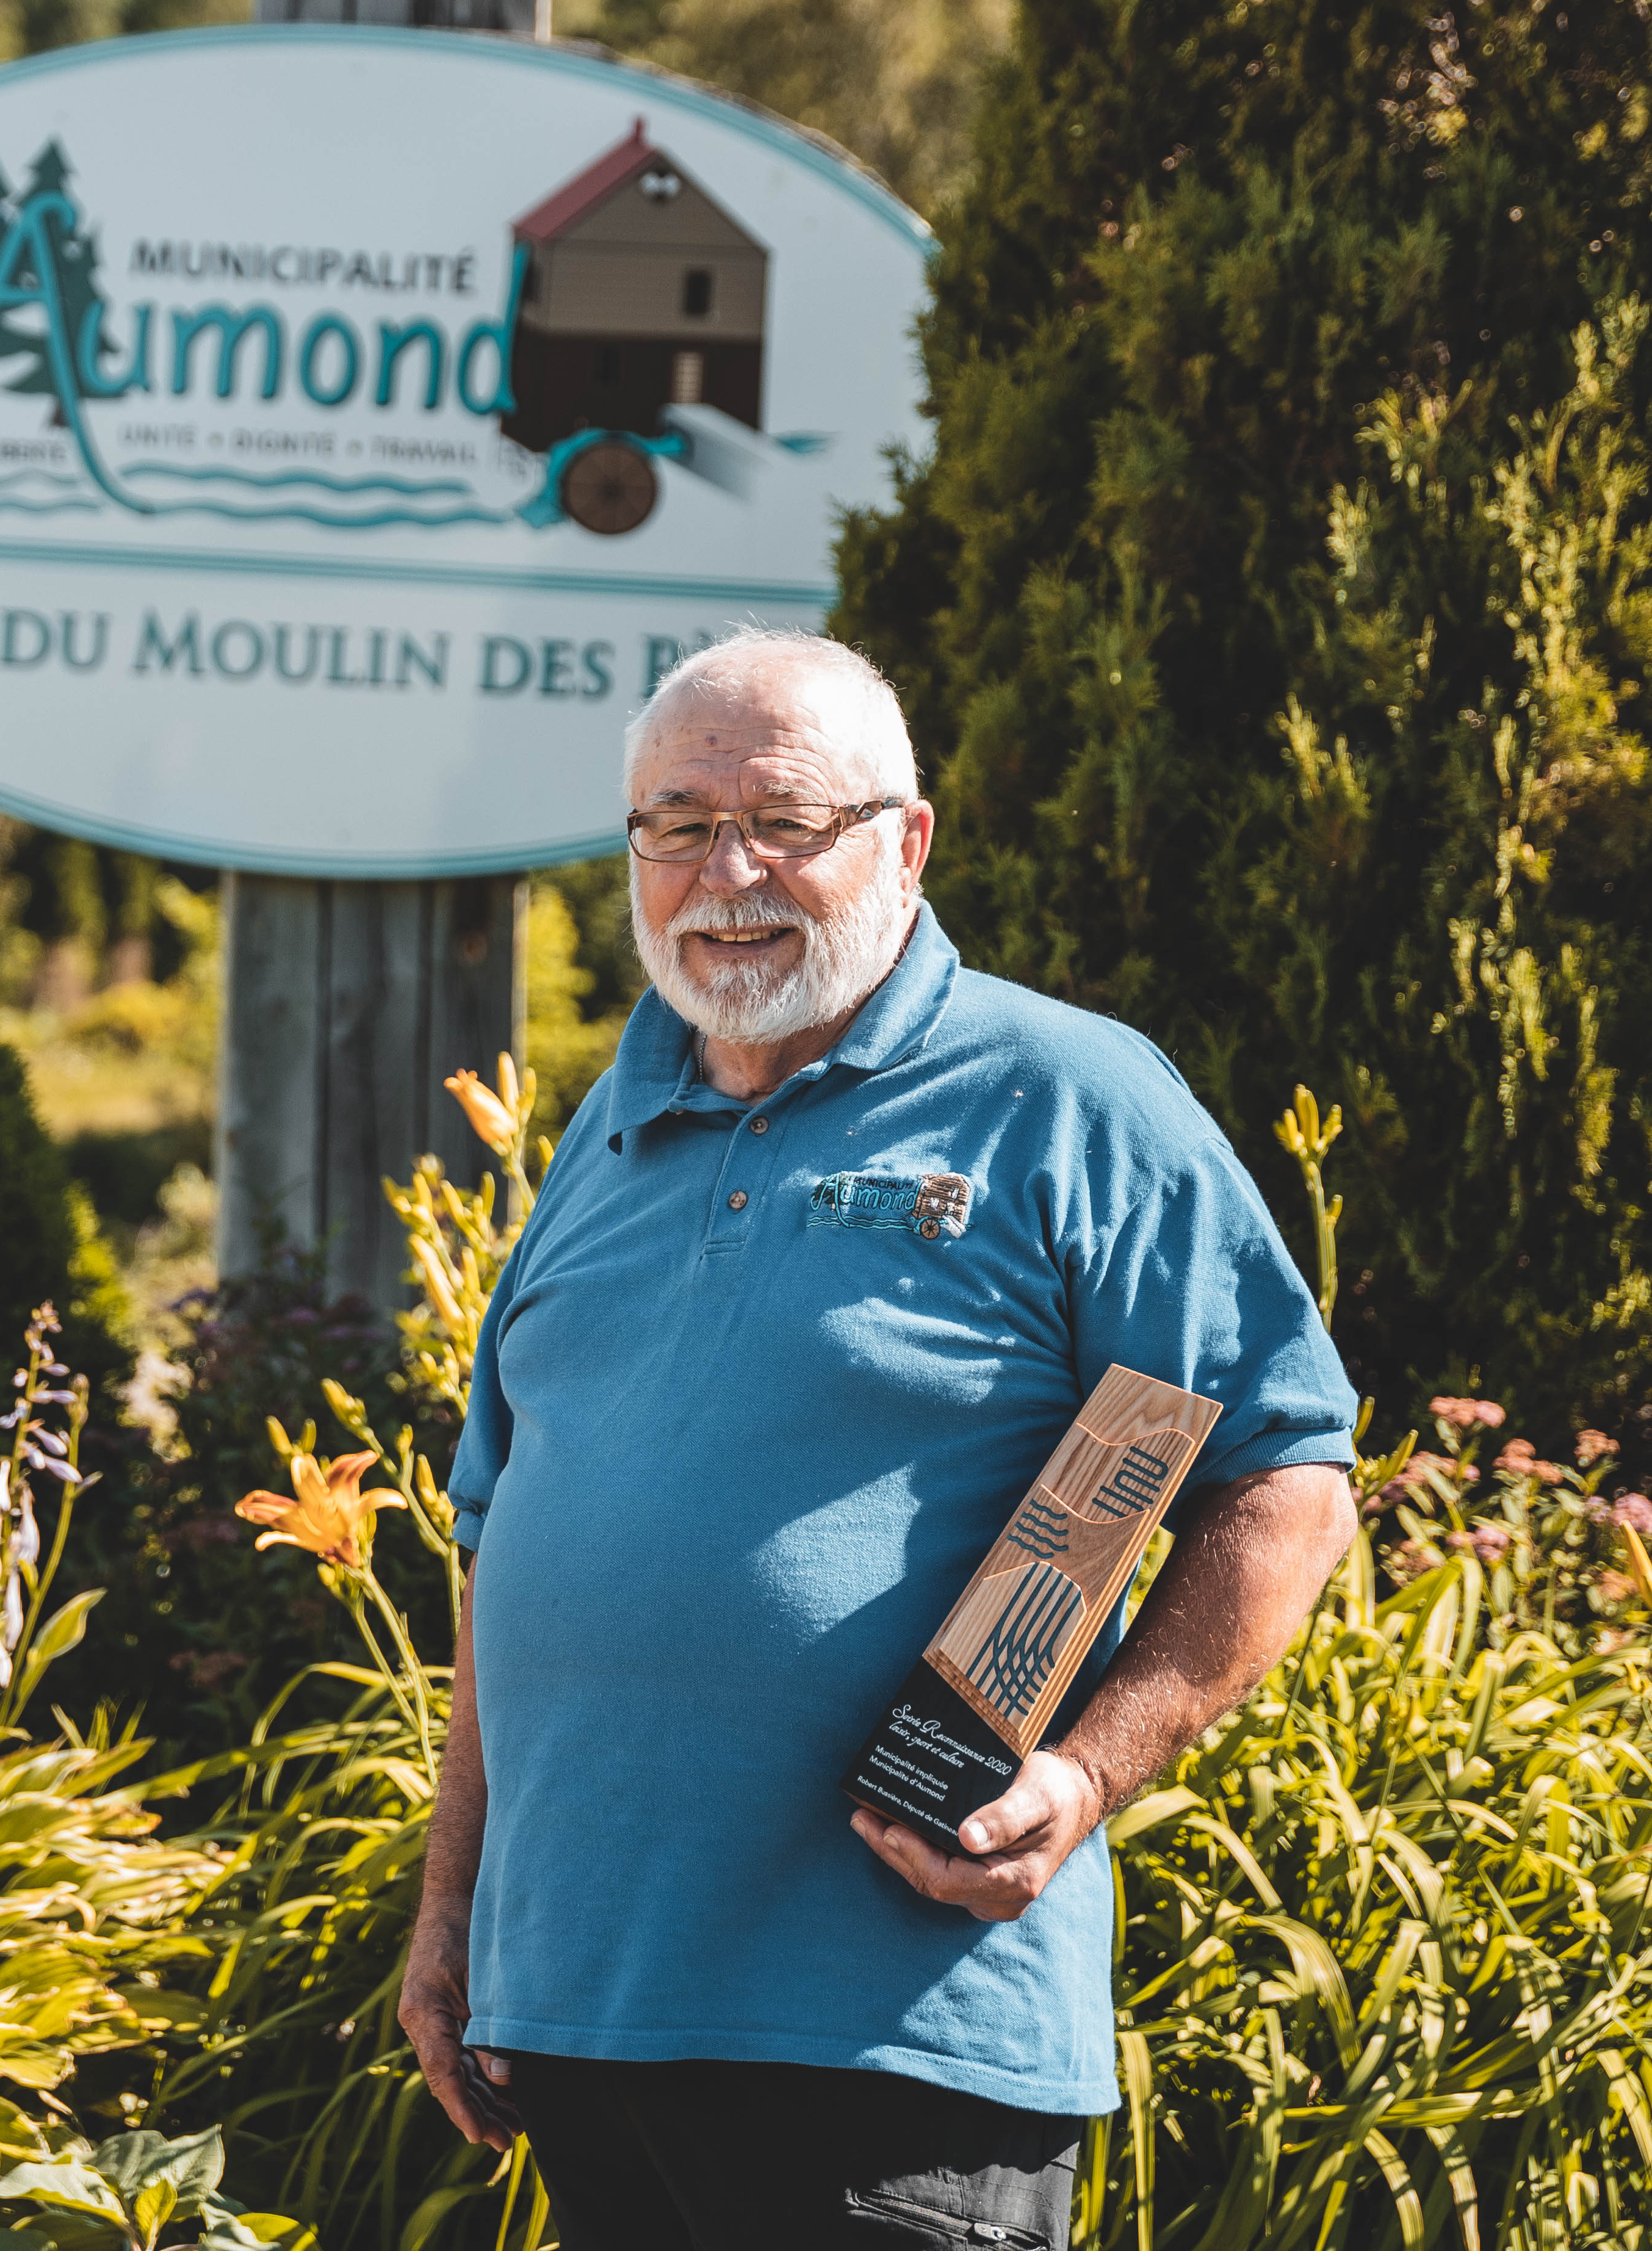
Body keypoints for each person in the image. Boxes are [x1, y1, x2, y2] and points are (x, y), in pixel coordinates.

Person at [401, 629, 1360, 2248]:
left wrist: (1081, 1775)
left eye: (783, 821)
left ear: (905, 842)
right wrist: (452, 1907)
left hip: (896, 2047)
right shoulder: (610, 1127)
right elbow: (507, 1541)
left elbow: (1285, 1480)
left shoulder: (1066, 1096)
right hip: (586, 2027)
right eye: (679, 826)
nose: (728, 874)